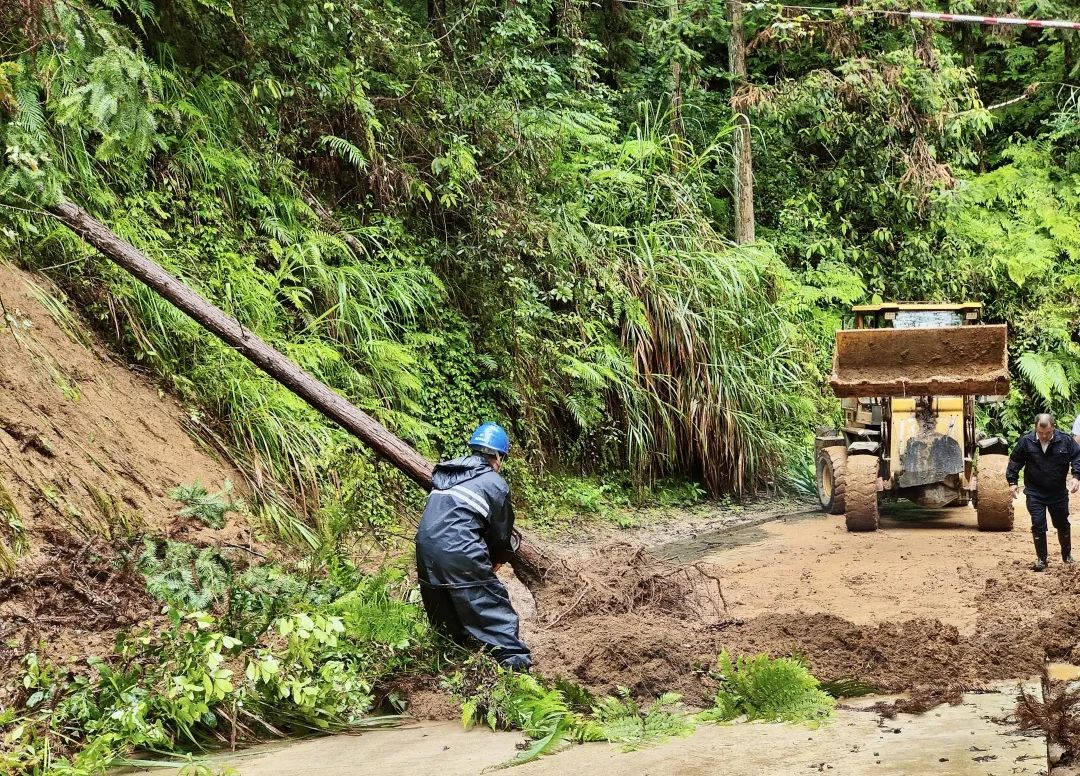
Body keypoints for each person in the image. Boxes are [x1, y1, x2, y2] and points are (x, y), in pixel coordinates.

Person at [414, 422, 532, 670]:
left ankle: (452, 655)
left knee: (444, 607)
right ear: (499, 457)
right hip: (459, 550)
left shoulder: (447, 473)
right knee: (487, 602)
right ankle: (515, 665)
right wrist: (496, 558)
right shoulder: (494, 482)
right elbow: (501, 534)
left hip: (425, 550)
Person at [1006, 413, 1080, 571]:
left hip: (1058, 492)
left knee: (1062, 523)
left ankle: (1067, 556)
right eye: (1040, 433)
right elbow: (1015, 461)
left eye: (1047, 433)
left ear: (1053, 427)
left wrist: (1076, 476)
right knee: (1038, 524)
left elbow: (1077, 456)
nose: (1044, 436)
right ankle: (1042, 559)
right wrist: (1012, 482)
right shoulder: (1026, 441)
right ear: (1035, 429)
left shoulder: (1065, 440)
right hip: (1035, 492)